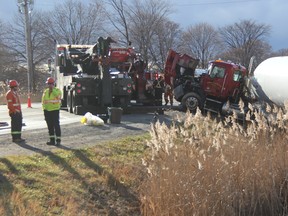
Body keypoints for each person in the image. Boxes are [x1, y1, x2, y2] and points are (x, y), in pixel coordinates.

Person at [42, 77, 62, 146]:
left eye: (51, 84)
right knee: (50, 126)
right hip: (47, 111)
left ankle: (58, 140)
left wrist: (52, 90)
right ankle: (52, 140)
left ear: (53, 84)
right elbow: (43, 101)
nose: (49, 85)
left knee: (56, 125)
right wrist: (44, 110)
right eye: (48, 84)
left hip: (55, 110)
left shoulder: (57, 90)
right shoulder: (46, 91)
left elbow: (58, 97)